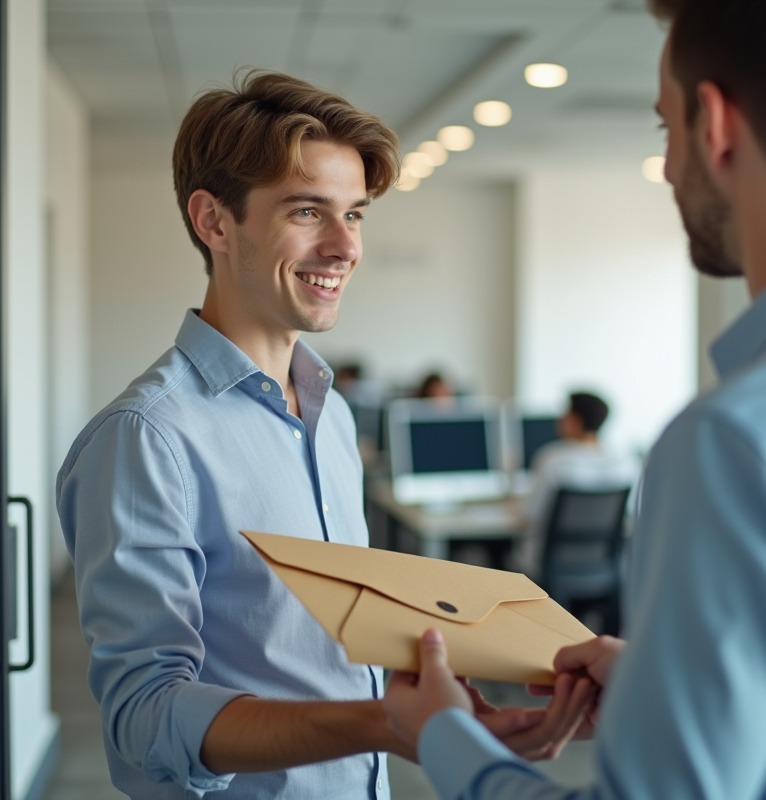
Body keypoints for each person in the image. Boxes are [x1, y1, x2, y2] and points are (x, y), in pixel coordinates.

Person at [383, 1, 766, 798]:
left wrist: (444, 736)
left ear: (716, 124)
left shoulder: (740, 439)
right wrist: (666, 684)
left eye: (665, 129)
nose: (669, 169)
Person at [56, 70, 584, 800]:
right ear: (214, 222)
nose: (344, 247)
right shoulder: (148, 438)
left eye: (355, 215)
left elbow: (313, 646)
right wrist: (381, 724)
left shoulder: (330, 414)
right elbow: (145, 719)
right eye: (307, 211)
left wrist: (429, 701)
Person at [516, 392, 640, 583]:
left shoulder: (553, 460)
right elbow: (632, 517)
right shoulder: (626, 462)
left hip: (549, 568)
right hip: (605, 565)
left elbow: (530, 516)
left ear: (575, 420)